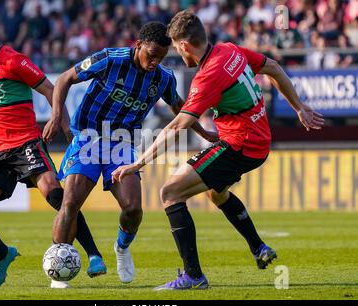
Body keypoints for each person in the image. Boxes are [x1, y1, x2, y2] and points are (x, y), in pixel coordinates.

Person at [112, 10, 324, 290]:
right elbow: (272, 66)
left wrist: (137, 164)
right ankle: (259, 247)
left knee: (170, 192)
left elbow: (177, 126)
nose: (178, 54)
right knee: (217, 193)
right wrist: (299, 107)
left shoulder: (209, 75)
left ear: (184, 45)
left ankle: (193, 276)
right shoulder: (230, 50)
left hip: (240, 144)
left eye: (176, 48)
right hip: (258, 140)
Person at [43, 21, 218, 284]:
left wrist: (204, 134)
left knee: (134, 209)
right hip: (88, 138)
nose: (154, 62)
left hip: (122, 144)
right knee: (70, 204)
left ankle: (122, 248)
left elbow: (180, 108)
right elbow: (65, 78)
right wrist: (57, 115)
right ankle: (58, 271)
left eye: (160, 57)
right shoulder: (110, 60)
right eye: (151, 55)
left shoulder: (163, 78)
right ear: (138, 45)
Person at [0, 12, 106, 288]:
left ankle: (93, 253)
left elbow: (51, 89)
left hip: (25, 143)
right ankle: (3, 255)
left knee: (58, 196)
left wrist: (61, 122)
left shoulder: (14, 61)